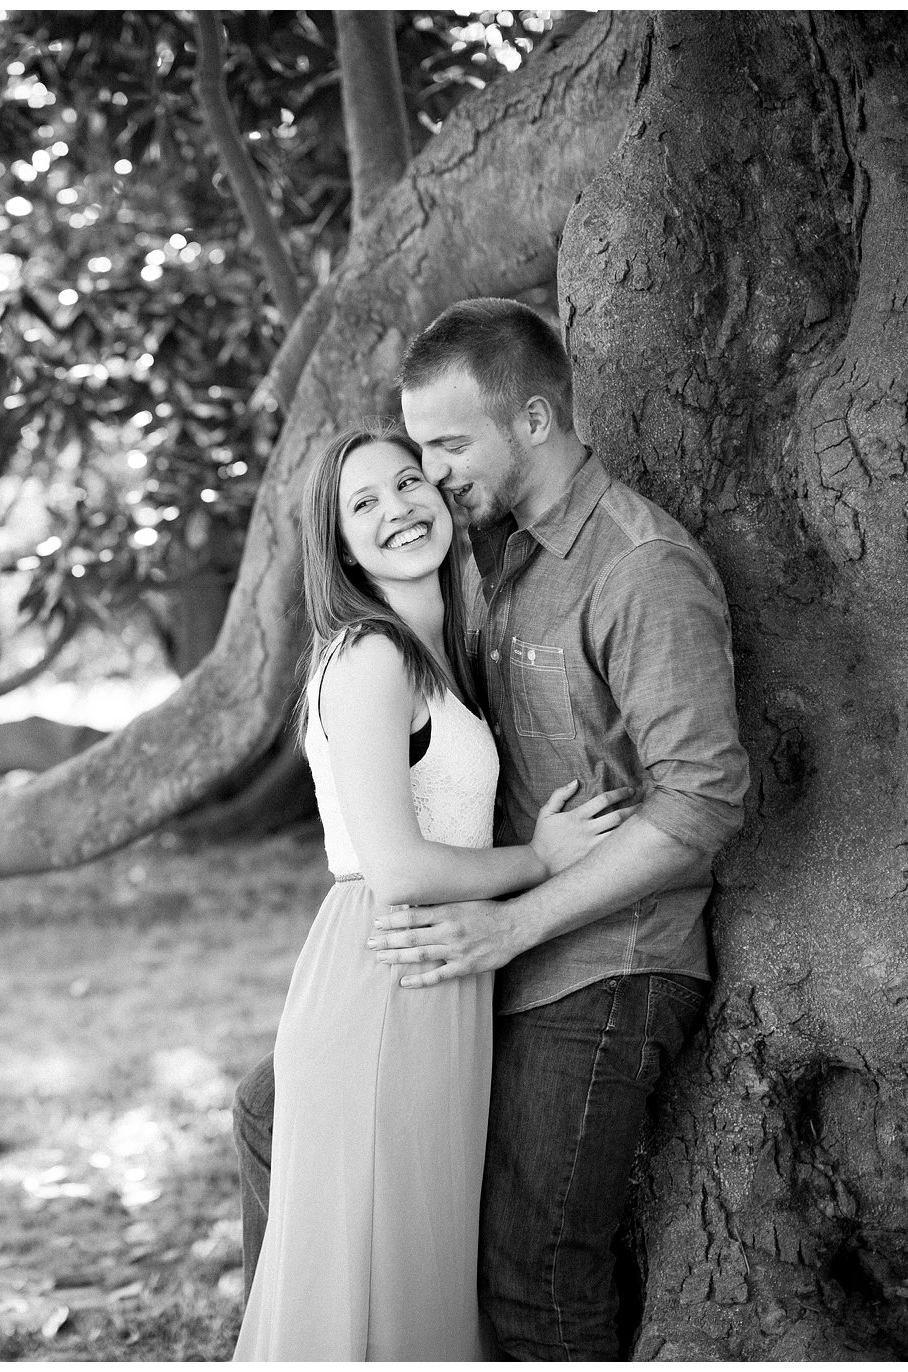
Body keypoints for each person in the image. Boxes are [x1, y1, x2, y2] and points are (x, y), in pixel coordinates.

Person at [232, 299, 750, 1361]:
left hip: (601, 960)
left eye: (440, 447)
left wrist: (512, 920)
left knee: (530, 1277)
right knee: (275, 1126)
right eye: (411, 453)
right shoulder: (499, 562)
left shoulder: (637, 567)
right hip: (475, 954)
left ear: (529, 420)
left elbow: (702, 798)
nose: (427, 475)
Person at [231, 423, 635, 1360]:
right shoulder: (369, 659)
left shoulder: (436, 655)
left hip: (438, 974)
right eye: (361, 504)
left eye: (407, 483)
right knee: (372, 1275)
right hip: (387, 970)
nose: (396, 510)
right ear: (337, 547)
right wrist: (541, 858)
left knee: (418, 1266)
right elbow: (401, 866)